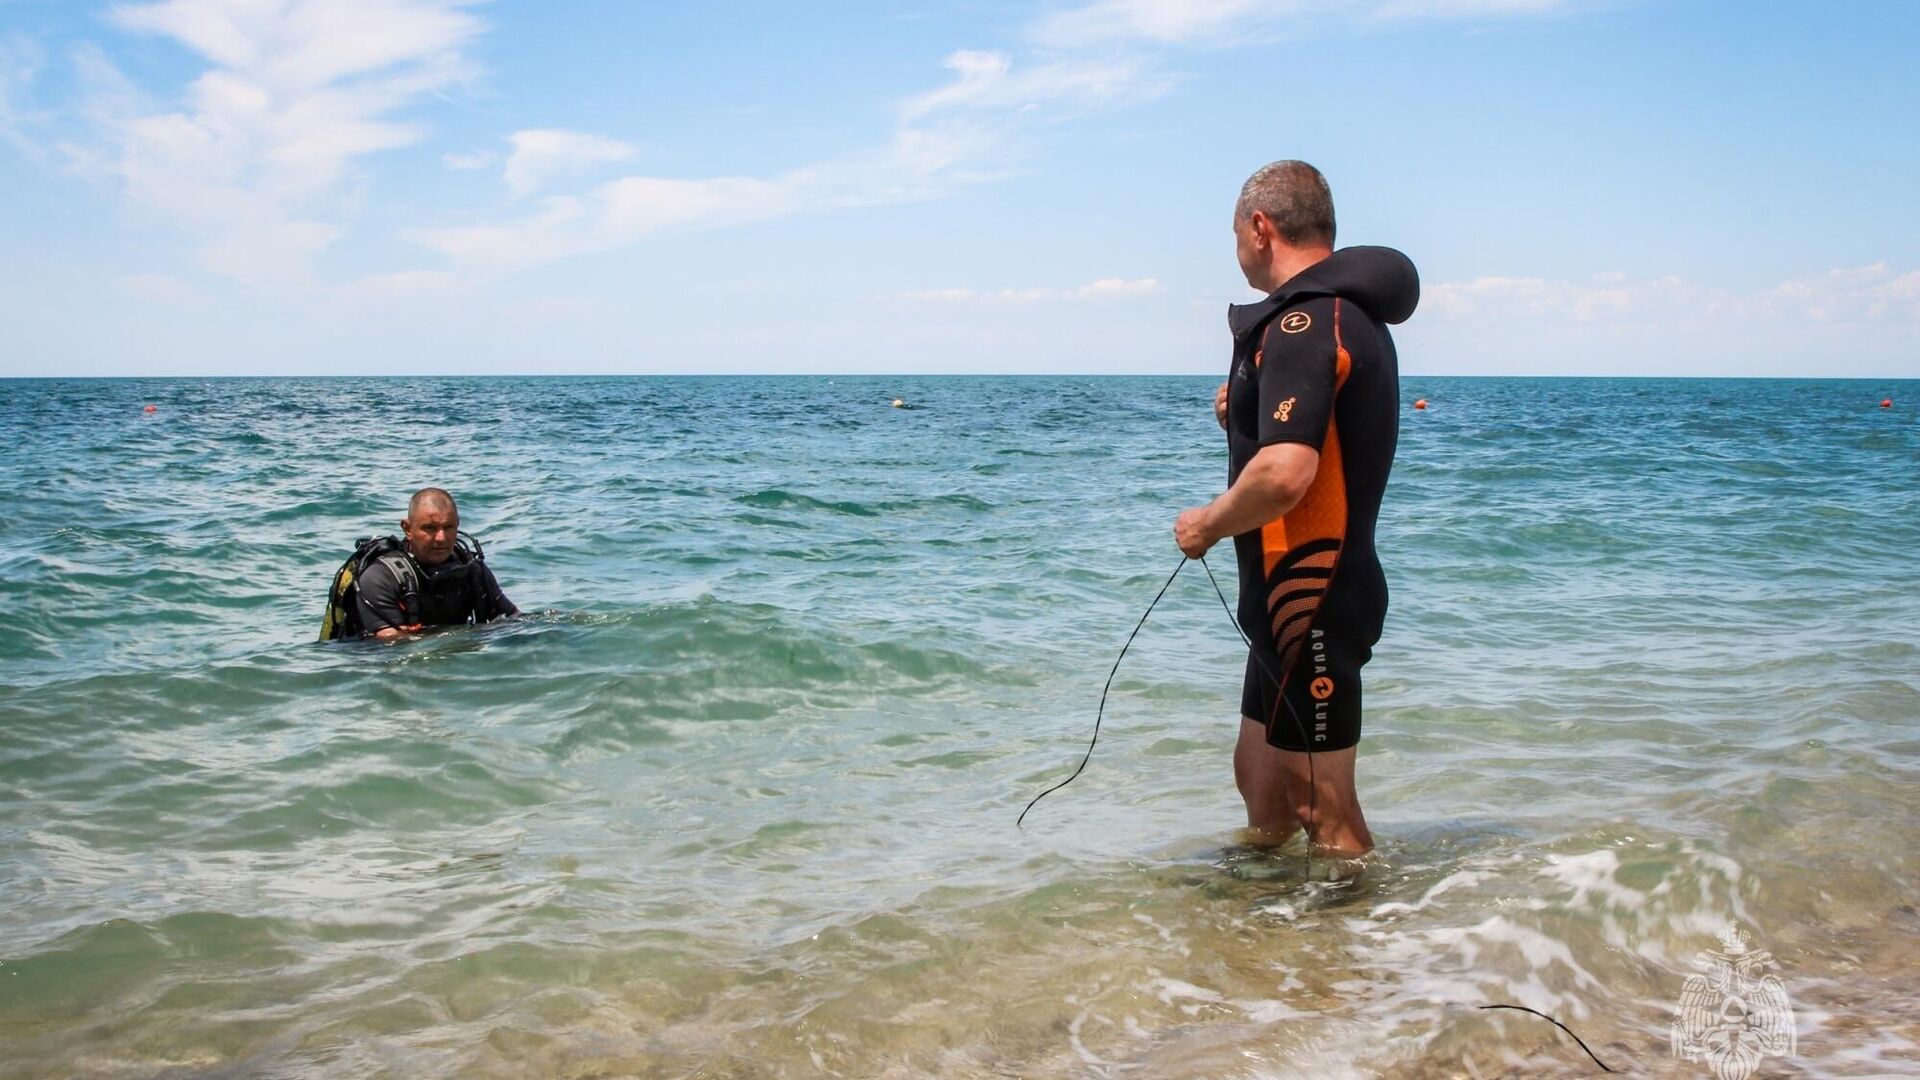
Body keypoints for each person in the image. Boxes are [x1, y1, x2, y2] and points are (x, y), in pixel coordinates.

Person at [1172, 161, 1419, 857]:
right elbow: (1326, 436)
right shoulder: (1334, 315)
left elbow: (1287, 474)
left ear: (1260, 227)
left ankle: (1352, 955)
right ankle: (1269, 944)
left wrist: (1208, 524)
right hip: (1283, 604)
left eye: (1235, 234)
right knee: (1262, 783)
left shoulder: (1305, 323)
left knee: (1321, 805)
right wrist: (1245, 416)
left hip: (1313, 596)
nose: (1238, 250)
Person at [323, 487, 518, 640]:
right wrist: (468, 636)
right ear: (407, 528)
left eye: (448, 527)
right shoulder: (380, 577)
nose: (441, 538)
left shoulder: (472, 569)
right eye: (430, 528)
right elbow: (390, 645)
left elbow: (512, 619)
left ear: (458, 524)